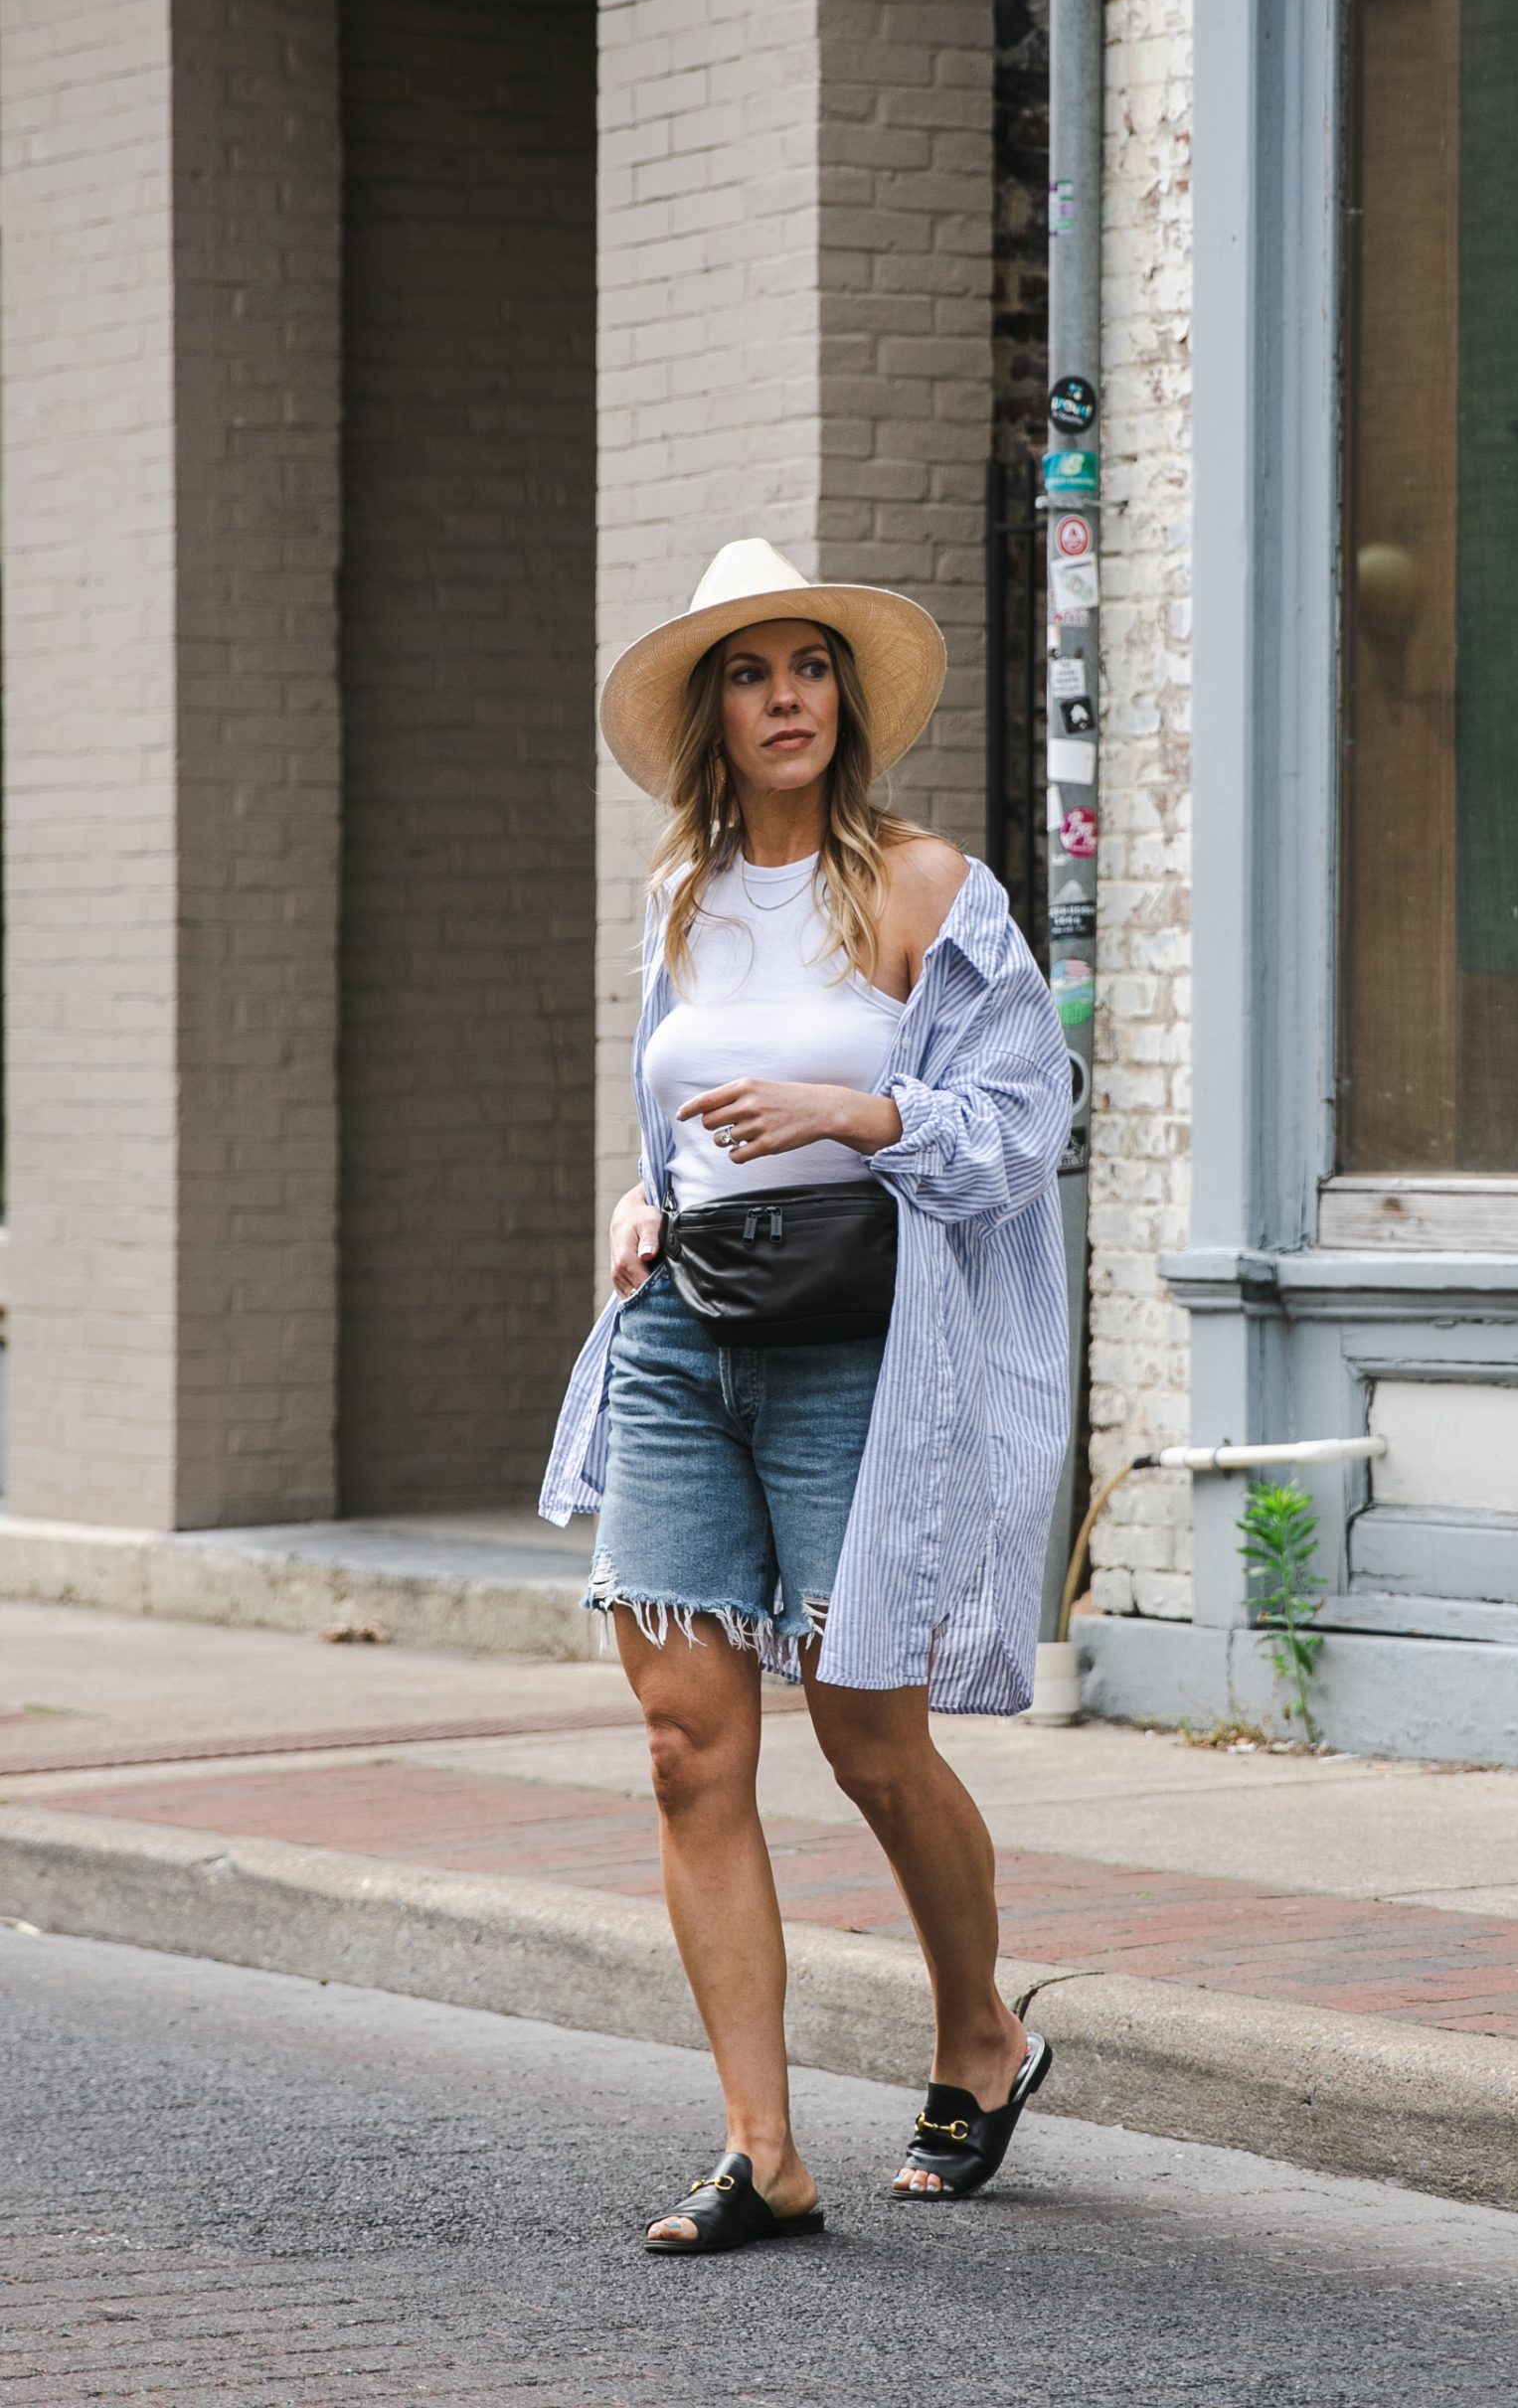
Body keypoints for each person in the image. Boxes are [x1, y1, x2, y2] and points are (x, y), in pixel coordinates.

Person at [541, 538, 1073, 2255]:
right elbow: (671, 1123)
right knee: (690, 1750)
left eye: (809, 669)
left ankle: (980, 2032)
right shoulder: (677, 900)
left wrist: (859, 1118)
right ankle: (762, 2152)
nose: (785, 698)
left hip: (866, 1348)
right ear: (715, 711)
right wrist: (641, 1206)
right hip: (686, 1337)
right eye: (752, 674)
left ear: (846, 703)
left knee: (868, 1736)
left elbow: (1024, 1130)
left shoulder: (931, 891)